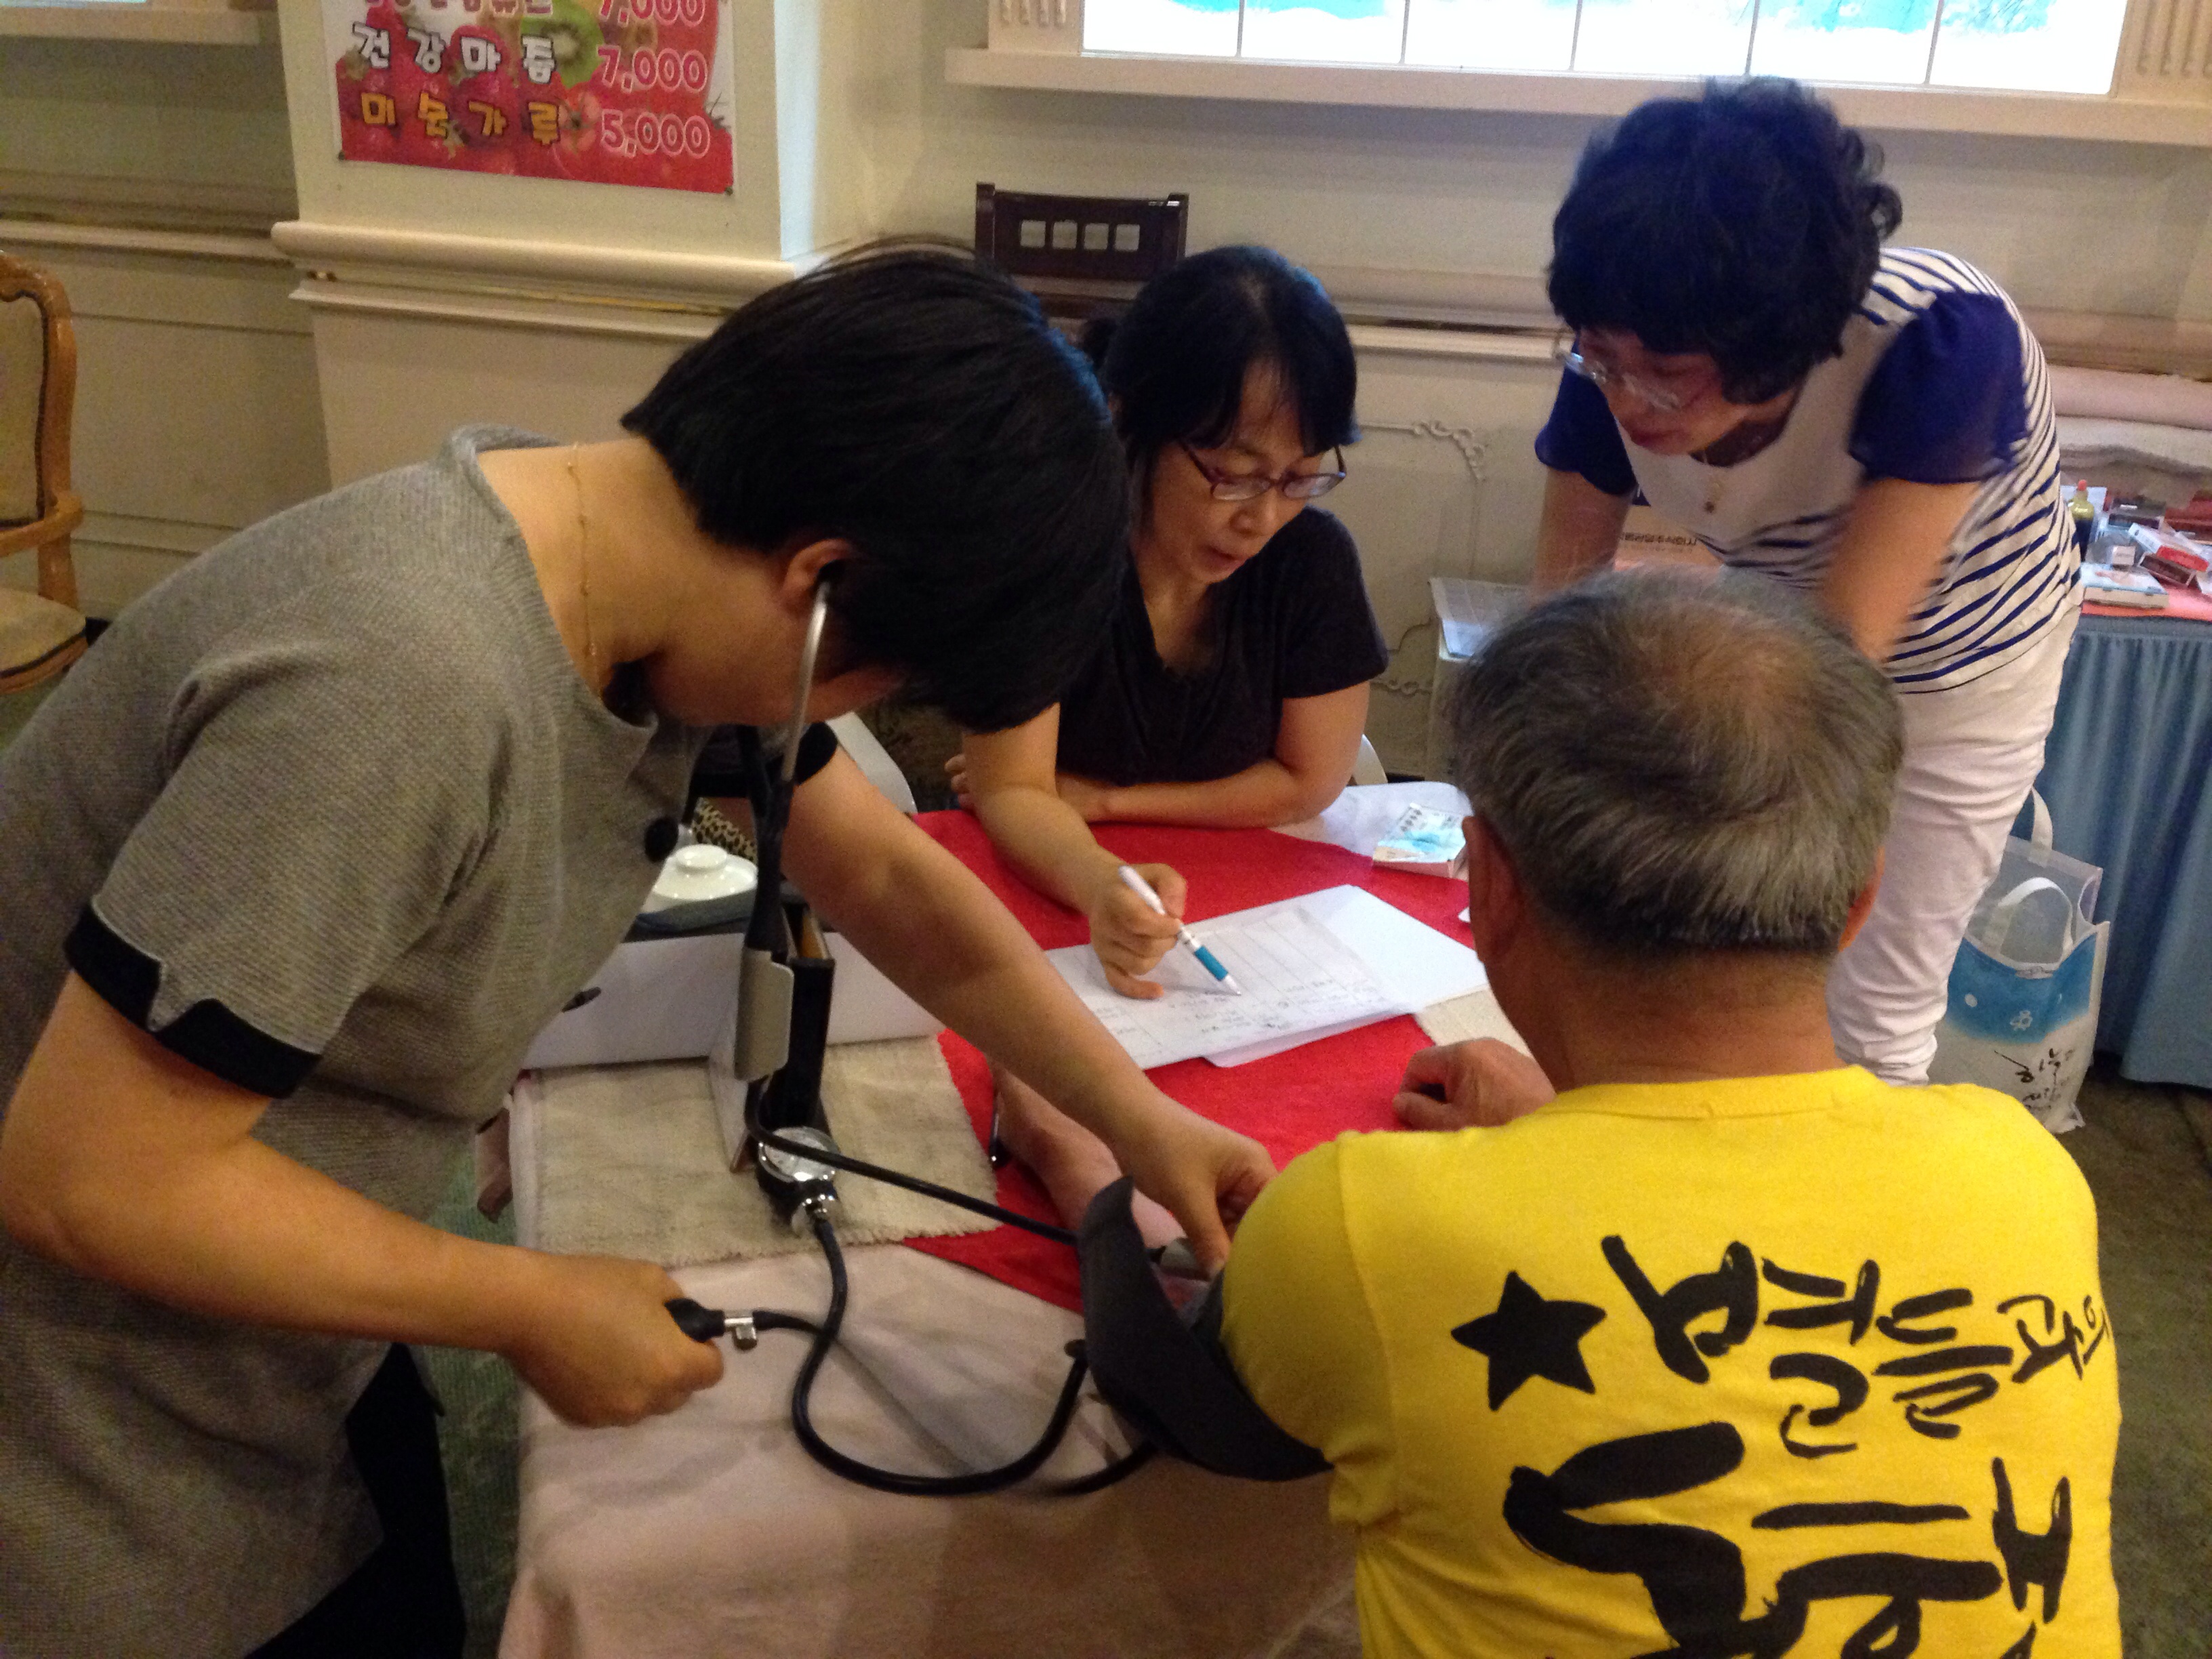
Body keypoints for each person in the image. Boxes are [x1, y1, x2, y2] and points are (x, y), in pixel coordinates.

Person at [0, 253, 1272, 1659]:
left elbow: (887, 878)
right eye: (879, 681)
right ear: (820, 582)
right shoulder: (404, 683)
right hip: (84, 1417)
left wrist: (1137, 1120)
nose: (837, 717)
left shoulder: (618, 556)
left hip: (277, 1321)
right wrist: (527, 1299)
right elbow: (93, 1177)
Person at [1216, 571, 2119, 1657]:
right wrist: (1571, 1129)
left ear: (1489, 886)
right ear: (1862, 900)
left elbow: (1227, 1406)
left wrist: (1086, 1171)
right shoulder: (2024, 1176)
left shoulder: (1360, 1227)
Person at [1530, 78, 2079, 1088]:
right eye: (1602, 357)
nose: (1626, 398)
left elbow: (1842, 654)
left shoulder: (1941, 341)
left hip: (1962, 675)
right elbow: (1555, 618)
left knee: (1875, 1007)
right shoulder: (1613, 354)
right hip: (1792, 627)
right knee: (1706, 966)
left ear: (1776, 347)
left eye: (1665, 374)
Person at [953, 245, 1386, 1233]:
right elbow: (1011, 791)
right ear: (1129, 417)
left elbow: (1309, 778)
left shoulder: (1310, 561)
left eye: (1300, 479)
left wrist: (1105, 801)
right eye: (1232, 475)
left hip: (1253, 909)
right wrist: (1101, 876)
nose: (1261, 517)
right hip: (1046, 903)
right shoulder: (1053, 548)